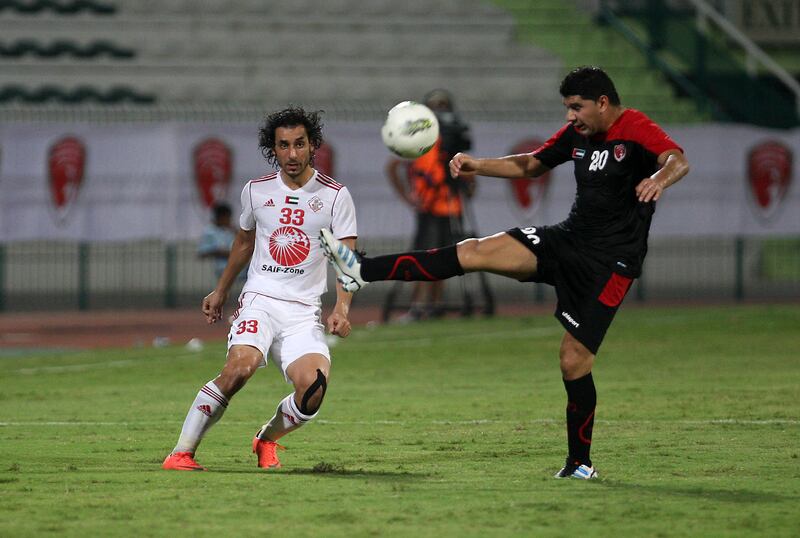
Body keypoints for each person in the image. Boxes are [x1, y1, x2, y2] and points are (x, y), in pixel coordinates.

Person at [321, 66, 689, 479]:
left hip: (610, 264)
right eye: (567, 108)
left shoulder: (636, 127)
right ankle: (360, 268)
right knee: (473, 251)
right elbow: (532, 165)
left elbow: (677, 159)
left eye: (576, 107)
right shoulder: (580, 135)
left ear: (603, 102)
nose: (570, 117)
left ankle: (580, 464)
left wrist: (658, 178)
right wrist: (478, 165)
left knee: (573, 361)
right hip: (566, 241)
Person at [163, 106, 358, 471]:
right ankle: (181, 452)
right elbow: (242, 242)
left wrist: (342, 308)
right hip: (260, 300)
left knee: (313, 390)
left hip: (303, 312)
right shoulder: (256, 191)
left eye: (299, 144)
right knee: (240, 368)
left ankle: (266, 439)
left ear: (312, 145)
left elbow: (346, 257)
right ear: (274, 149)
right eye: (283, 145)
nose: (292, 153)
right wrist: (220, 290)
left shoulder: (335, 196)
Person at [385, 89, 474, 320]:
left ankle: (435, 306)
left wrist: (467, 184)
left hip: (451, 207)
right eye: (436, 106)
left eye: (443, 105)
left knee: (444, 261)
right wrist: (408, 196)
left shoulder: (452, 140)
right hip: (429, 207)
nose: (440, 111)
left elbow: (468, 172)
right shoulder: (418, 138)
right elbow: (393, 166)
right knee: (423, 258)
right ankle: (418, 306)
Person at [197, 202, 236, 280]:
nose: (229, 220)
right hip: (217, 271)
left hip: (235, 271)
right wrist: (218, 252)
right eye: (227, 218)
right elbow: (201, 252)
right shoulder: (209, 231)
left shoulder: (231, 231)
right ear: (220, 217)